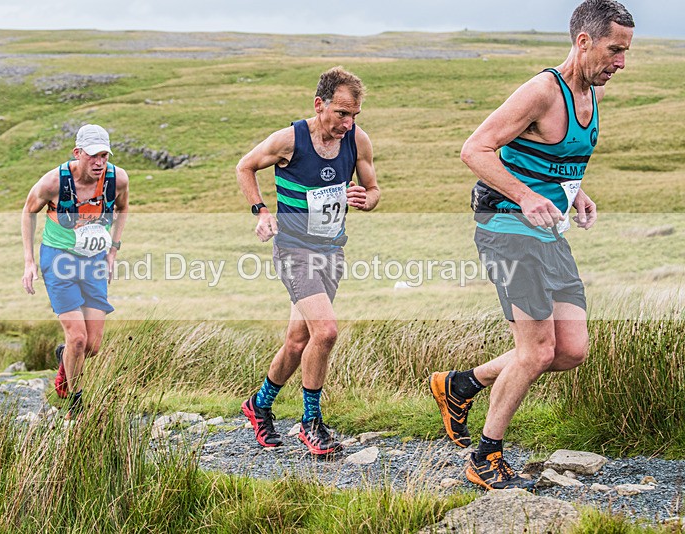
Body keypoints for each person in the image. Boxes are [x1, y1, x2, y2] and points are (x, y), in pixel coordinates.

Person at [430, 0, 634, 490]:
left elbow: (560, 160)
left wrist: (577, 193)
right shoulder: (542, 91)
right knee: (538, 350)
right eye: (614, 50)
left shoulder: (594, 96)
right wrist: (523, 196)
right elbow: (473, 149)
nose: (621, 63)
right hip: (505, 230)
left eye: (626, 52)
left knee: (571, 349)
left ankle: (461, 384)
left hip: (549, 233)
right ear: (583, 41)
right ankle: (485, 455)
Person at [236, 66, 380, 455]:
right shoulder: (289, 140)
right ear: (320, 105)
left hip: (332, 250)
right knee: (326, 332)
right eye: (341, 114)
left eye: (354, 116)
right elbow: (245, 166)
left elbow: (374, 188)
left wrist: (367, 199)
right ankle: (310, 421)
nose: (348, 124)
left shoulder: (357, 140)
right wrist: (261, 211)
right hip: (294, 251)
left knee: (299, 340)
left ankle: (259, 406)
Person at [22, 124, 129, 419]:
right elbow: (28, 212)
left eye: (104, 156)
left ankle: (64, 359)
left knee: (91, 346)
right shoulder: (52, 183)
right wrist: (30, 262)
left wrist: (113, 251)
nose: (99, 162)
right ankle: (75, 404)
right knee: (78, 338)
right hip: (59, 260)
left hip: (94, 259)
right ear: (78, 153)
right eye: (93, 156)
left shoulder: (116, 179)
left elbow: (123, 209)